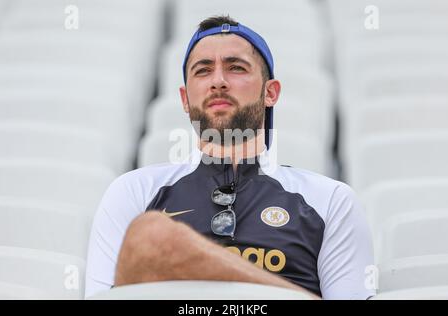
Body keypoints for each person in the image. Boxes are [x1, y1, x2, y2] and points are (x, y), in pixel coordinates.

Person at [85, 15, 375, 300]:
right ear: (185, 99)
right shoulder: (133, 192)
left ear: (270, 92)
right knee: (150, 236)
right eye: (203, 70)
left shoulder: (330, 201)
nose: (218, 81)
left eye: (236, 68)